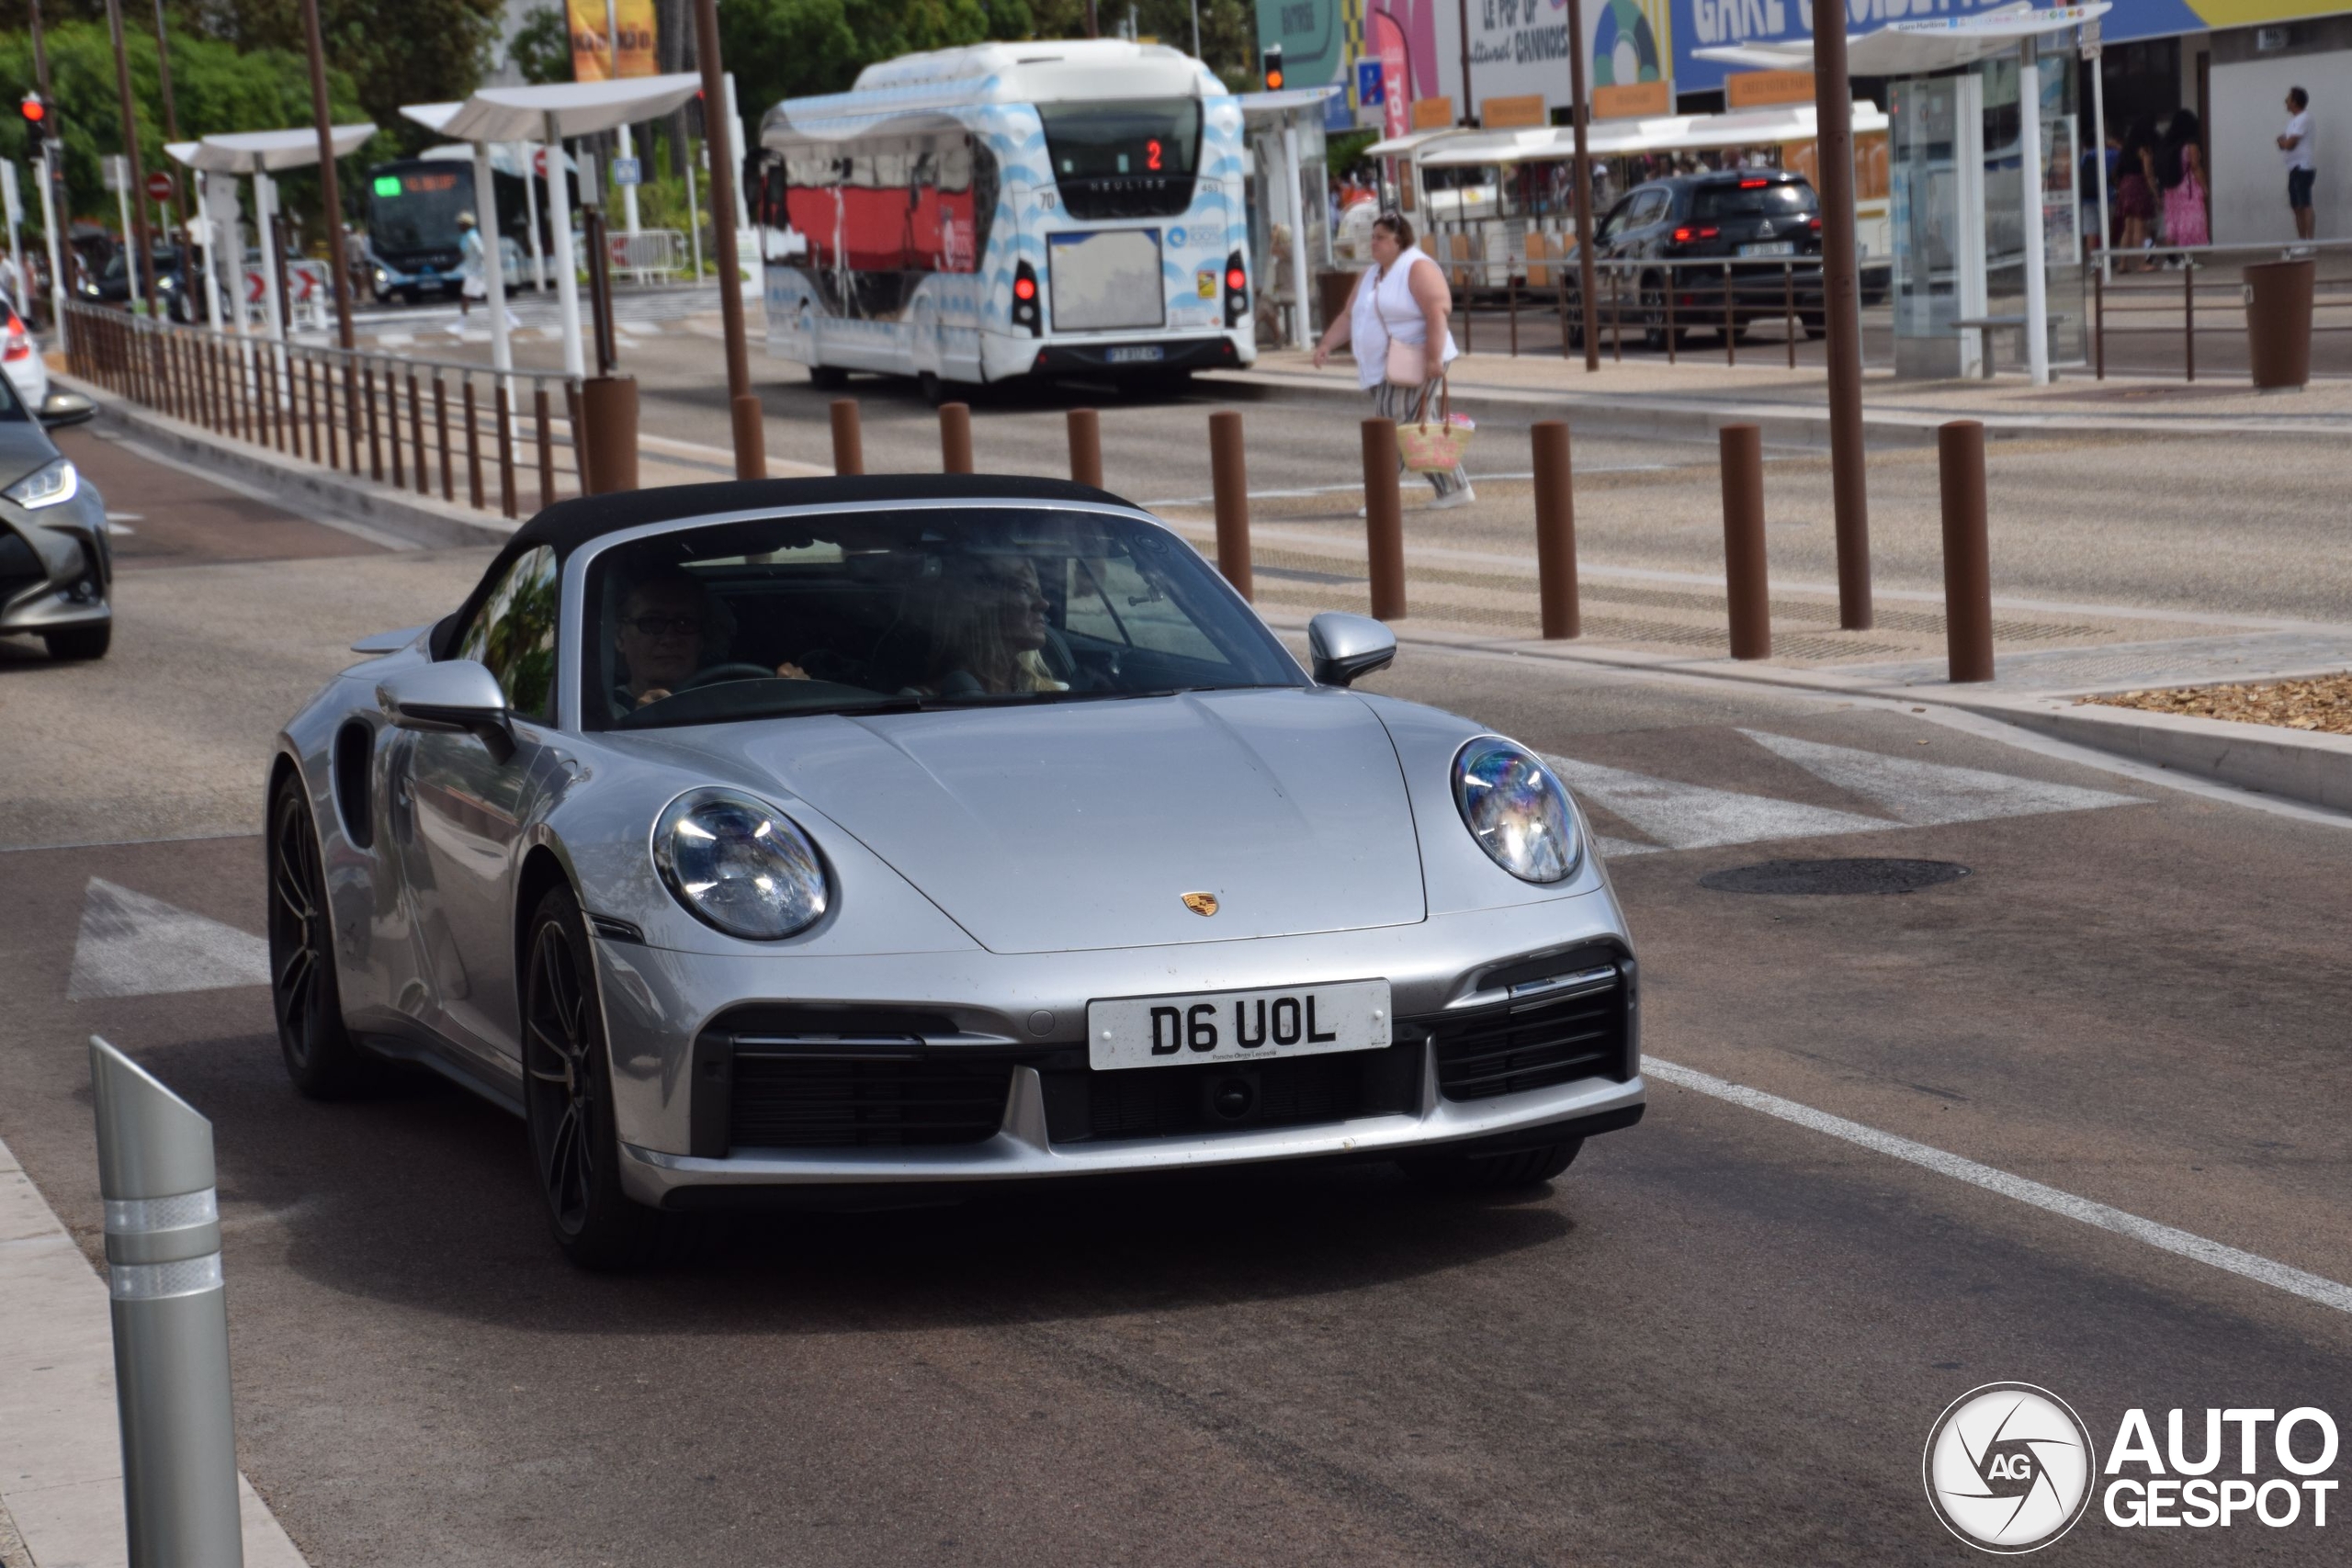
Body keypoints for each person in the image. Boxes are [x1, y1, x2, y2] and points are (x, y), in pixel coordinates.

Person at [1309, 210, 1473, 512]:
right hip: (1382, 366)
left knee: (1390, 425)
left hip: (1417, 360)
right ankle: (1454, 487)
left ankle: (1380, 496)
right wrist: (1327, 344)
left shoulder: (1417, 267)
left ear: (1400, 241)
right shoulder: (1371, 273)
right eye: (1373, 237)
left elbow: (1437, 311)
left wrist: (1434, 358)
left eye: (1381, 238)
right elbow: (1349, 314)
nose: (1374, 243)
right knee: (1417, 426)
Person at [915, 556, 1068, 696]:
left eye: (1038, 592)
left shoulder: (1055, 695)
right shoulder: (918, 704)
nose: (1044, 604)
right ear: (980, 604)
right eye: (1024, 589)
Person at [2160, 109, 2210, 253]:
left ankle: (2171, 257)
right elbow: (2195, 166)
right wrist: (2205, 186)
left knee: (2173, 221)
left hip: (2171, 187)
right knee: (2189, 221)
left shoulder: (2168, 144)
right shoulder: (2190, 144)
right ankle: (2187, 257)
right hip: (2188, 188)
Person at [2115, 118, 2159, 269]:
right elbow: (2148, 174)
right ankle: (2141, 263)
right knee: (2139, 227)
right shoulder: (2144, 149)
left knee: (2127, 228)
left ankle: (2123, 263)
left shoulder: (2126, 149)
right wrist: (2155, 194)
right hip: (2138, 186)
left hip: (2125, 186)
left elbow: (2117, 172)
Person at [2279, 87, 2316, 242]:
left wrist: (2283, 142)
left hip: (2303, 166)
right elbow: (2284, 142)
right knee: (2296, 207)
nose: (2285, 101)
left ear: (2295, 101)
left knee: (2305, 204)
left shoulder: (2304, 118)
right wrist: (2283, 142)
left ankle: (2310, 241)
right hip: (2293, 167)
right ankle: (2302, 241)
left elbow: (2289, 143)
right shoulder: (2293, 121)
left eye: (2288, 98)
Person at [458, 211, 486, 318]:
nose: (459, 226)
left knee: (465, 297)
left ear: (467, 225)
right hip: (472, 271)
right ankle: (511, 319)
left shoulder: (472, 236)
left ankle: (460, 325)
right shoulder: (467, 236)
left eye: (461, 223)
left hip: (476, 272)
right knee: (467, 297)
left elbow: (482, 252)